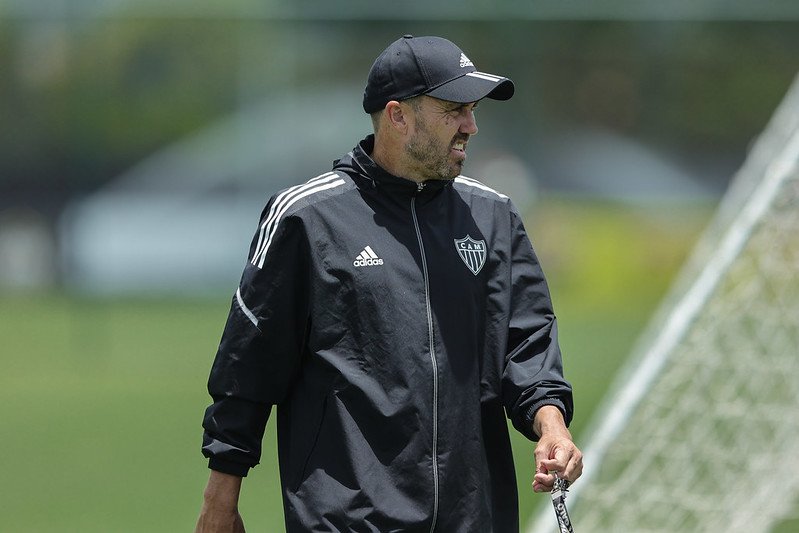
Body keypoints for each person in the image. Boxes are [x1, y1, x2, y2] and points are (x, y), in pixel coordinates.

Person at [196, 35, 582, 533]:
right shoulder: (307, 219)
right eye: (454, 110)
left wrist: (552, 425)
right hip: (348, 521)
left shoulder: (494, 218)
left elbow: (526, 343)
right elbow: (248, 368)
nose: (471, 126)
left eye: (472, 111)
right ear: (398, 116)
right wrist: (220, 499)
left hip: (473, 519)